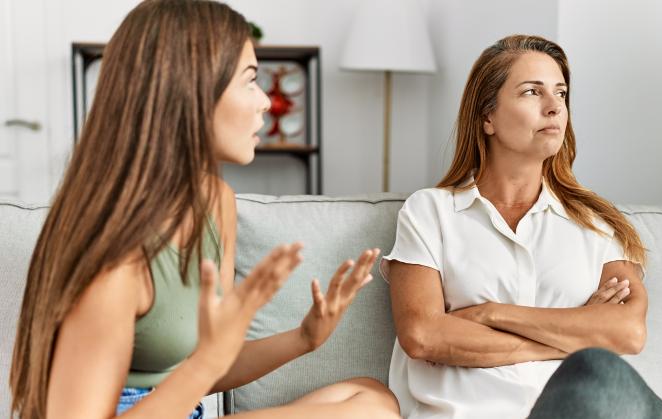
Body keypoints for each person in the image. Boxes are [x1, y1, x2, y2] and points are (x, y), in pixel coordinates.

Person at [9, 1, 400, 418]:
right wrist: (207, 362)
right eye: (250, 81)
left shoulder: (215, 201)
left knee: (371, 397)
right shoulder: (114, 254)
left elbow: (205, 367)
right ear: (189, 92)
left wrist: (305, 337)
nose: (266, 102)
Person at [380, 34, 662, 419]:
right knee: (596, 364)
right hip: (471, 412)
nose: (554, 107)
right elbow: (422, 337)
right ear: (487, 117)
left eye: (561, 93)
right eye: (532, 92)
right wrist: (574, 337)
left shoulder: (596, 224)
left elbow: (627, 334)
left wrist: (488, 314)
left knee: (602, 372)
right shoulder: (430, 212)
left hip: (577, 409)